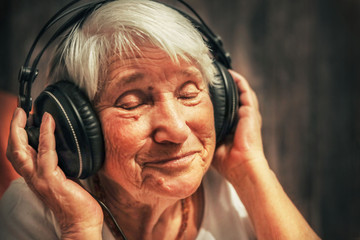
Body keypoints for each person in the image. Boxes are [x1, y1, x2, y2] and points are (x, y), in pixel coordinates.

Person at [0, 0, 320, 239]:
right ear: (78, 130)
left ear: (221, 101)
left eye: (189, 92)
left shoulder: (234, 187)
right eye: (132, 102)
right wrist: (79, 228)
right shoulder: (29, 214)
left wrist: (250, 169)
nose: (177, 130)